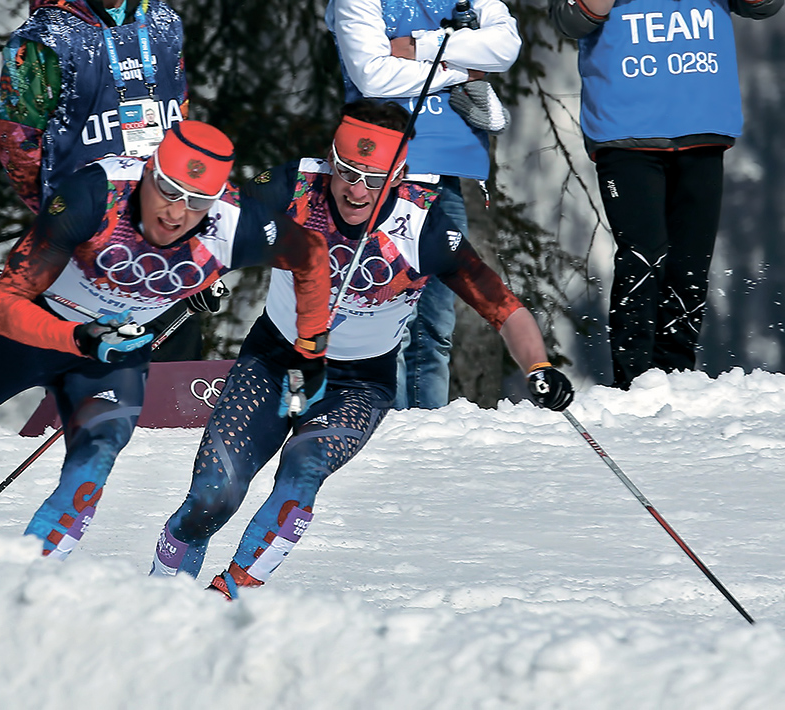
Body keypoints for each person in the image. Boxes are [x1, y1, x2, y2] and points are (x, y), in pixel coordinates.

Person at [0, 121, 331, 560]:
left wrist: (311, 347)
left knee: (88, 476)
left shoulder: (238, 225)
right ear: (147, 172)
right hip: (28, 334)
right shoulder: (95, 195)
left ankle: (20, 601)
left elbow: (311, 259)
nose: (174, 211)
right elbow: (4, 306)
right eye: (166, 189)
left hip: (110, 359)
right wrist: (79, 337)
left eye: (195, 202)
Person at [149, 101, 573, 598]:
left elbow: (504, 309)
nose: (355, 190)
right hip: (275, 361)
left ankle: (228, 598)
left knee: (302, 473)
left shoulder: (425, 226)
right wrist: (204, 273)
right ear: (331, 159)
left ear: (399, 174)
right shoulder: (294, 187)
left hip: (356, 384)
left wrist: (539, 366)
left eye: (373, 178)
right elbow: (216, 226)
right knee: (211, 497)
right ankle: (159, 600)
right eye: (347, 171)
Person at [549, 0, 782, 389]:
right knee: (643, 258)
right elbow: (570, 19)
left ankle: (678, 379)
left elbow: (764, 5)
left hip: (702, 128)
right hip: (626, 134)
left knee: (689, 265)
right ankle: (634, 384)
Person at [326, 0, 520, 409]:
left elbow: (505, 47)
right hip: (378, 172)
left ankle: (426, 427)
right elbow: (372, 75)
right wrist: (464, 70)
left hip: (443, 171)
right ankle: (384, 423)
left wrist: (418, 46)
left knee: (436, 321)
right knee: (387, 314)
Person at [0, 0, 198, 360]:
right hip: (87, 241)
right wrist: (60, 212)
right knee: (90, 384)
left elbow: (179, 115)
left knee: (169, 395)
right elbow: (16, 141)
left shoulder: (164, 20)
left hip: (167, 234)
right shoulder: (48, 35)